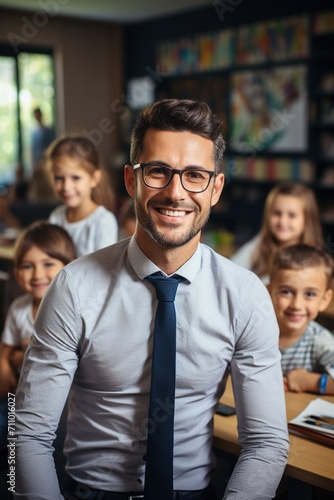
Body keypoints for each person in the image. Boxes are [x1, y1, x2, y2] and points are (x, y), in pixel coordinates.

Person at [14, 99, 289, 500]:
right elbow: (26, 433)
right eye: (158, 171)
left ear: (216, 189)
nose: (176, 193)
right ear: (131, 180)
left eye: (195, 175)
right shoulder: (73, 287)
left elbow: (266, 444)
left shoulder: (245, 296)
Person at [0, 221, 76, 450]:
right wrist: (5, 367)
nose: (38, 274)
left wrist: (25, 355)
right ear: (16, 273)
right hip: (20, 395)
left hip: (61, 401)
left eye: (48, 264)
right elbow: (6, 348)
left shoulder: (69, 310)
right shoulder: (19, 308)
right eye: (27, 266)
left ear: (69, 267)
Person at [268, 243, 334, 395]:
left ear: (324, 300)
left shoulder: (321, 341)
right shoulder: (254, 332)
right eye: (286, 292)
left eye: (309, 294)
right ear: (269, 293)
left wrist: (310, 382)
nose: (297, 305)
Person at [230, 182, 323, 284]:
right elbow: (231, 270)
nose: (282, 221)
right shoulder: (260, 243)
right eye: (277, 213)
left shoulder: (315, 261)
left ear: (307, 219)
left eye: (292, 215)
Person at [47, 135, 119, 256]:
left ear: (94, 178)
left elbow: (103, 270)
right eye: (59, 178)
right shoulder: (56, 217)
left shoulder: (103, 221)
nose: (66, 187)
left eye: (75, 178)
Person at [31, 107, 55, 171]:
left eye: (38, 115)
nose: (37, 117)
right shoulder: (34, 133)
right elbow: (34, 149)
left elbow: (50, 145)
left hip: (46, 160)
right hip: (38, 161)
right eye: (35, 115)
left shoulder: (48, 131)